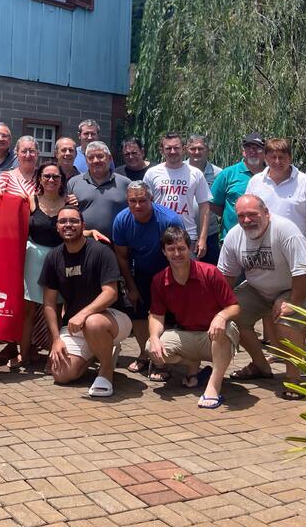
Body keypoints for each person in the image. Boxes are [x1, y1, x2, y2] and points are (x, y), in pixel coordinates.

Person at [219, 195, 306, 399]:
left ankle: (294, 377)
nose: (247, 220)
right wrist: (221, 308)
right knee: (233, 316)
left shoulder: (285, 230)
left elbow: (304, 271)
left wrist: (293, 302)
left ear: (266, 213)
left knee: (285, 319)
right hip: (259, 288)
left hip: (298, 285)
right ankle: (260, 365)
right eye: (241, 216)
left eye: (252, 214)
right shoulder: (234, 236)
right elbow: (226, 276)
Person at [40, 208, 132, 397]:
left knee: (93, 322)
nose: (68, 225)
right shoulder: (53, 257)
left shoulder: (101, 251)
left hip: (112, 319)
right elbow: (49, 303)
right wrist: (56, 340)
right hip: (76, 326)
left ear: (83, 226)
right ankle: (98, 352)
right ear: (57, 227)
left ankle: (106, 372)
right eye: (63, 221)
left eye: (73, 221)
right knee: (61, 374)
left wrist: (83, 313)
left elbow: (111, 293)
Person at [147, 225, 241, 409]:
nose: (177, 254)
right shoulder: (160, 280)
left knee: (224, 327)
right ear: (163, 252)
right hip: (188, 336)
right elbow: (157, 316)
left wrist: (222, 316)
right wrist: (153, 337)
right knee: (152, 347)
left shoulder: (210, 272)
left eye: (181, 248)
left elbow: (235, 307)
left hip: (215, 336)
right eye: (171, 249)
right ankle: (192, 364)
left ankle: (214, 387)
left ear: (189, 248)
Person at [112, 182, 184, 377]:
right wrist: (131, 286)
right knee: (138, 313)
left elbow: (179, 254)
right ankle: (145, 354)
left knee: (164, 316)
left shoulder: (169, 220)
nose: (137, 206)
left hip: (169, 270)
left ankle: (163, 359)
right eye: (132, 201)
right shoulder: (122, 220)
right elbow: (122, 257)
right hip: (141, 271)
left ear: (151, 199)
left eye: (142, 200)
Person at [20, 162, 70, 368]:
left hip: (59, 258)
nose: (51, 180)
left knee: (56, 310)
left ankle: (54, 357)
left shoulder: (69, 203)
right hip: (33, 257)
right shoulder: (29, 200)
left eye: (55, 177)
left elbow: (75, 229)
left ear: (61, 181)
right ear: (39, 178)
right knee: (29, 310)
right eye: (47, 176)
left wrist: (91, 232)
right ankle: (23, 355)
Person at [245, 138, 306, 251]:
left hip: (296, 249)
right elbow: (247, 213)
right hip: (262, 250)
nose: (277, 161)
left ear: (290, 158)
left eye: (282, 157)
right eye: (273, 157)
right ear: (265, 157)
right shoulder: (255, 181)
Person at [143, 132, 211, 259]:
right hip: (158, 235)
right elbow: (145, 205)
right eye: (168, 148)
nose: (172, 151)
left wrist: (202, 239)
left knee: (188, 276)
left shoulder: (196, 173)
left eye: (176, 147)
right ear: (162, 150)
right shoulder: (151, 173)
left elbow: (205, 206)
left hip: (187, 235)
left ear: (184, 149)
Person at [66, 142, 130, 239]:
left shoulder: (125, 183)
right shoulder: (73, 183)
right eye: (91, 158)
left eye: (100, 156)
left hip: (116, 245)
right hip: (82, 243)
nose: (96, 161)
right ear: (86, 161)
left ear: (109, 158)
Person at [210, 133, 266, 239]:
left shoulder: (271, 175)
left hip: (265, 238)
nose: (253, 151)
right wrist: (232, 213)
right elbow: (213, 203)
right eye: (249, 148)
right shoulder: (228, 174)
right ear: (243, 151)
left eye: (257, 148)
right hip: (232, 238)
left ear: (264, 152)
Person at [186, 134, 223, 264]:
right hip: (183, 233)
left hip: (209, 234)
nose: (197, 152)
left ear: (207, 150)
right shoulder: (180, 169)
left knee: (209, 274)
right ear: (186, 149)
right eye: (193, 148)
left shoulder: (219, 174)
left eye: (200, 148)